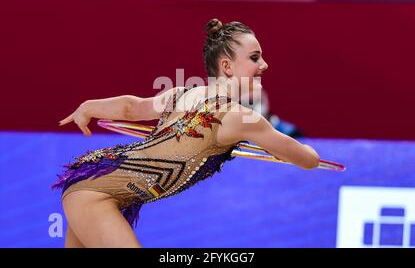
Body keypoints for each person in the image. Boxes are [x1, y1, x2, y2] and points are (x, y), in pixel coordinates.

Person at [53, 18, 320, 248]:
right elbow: (308, 160)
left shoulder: (183, 94)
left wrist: (89, 106)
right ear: (227, 66)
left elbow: (131, 108)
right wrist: (296, 151)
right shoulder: (243, 117)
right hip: (99, 195)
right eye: (254, 58)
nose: (265, 65)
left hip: (92, 179)